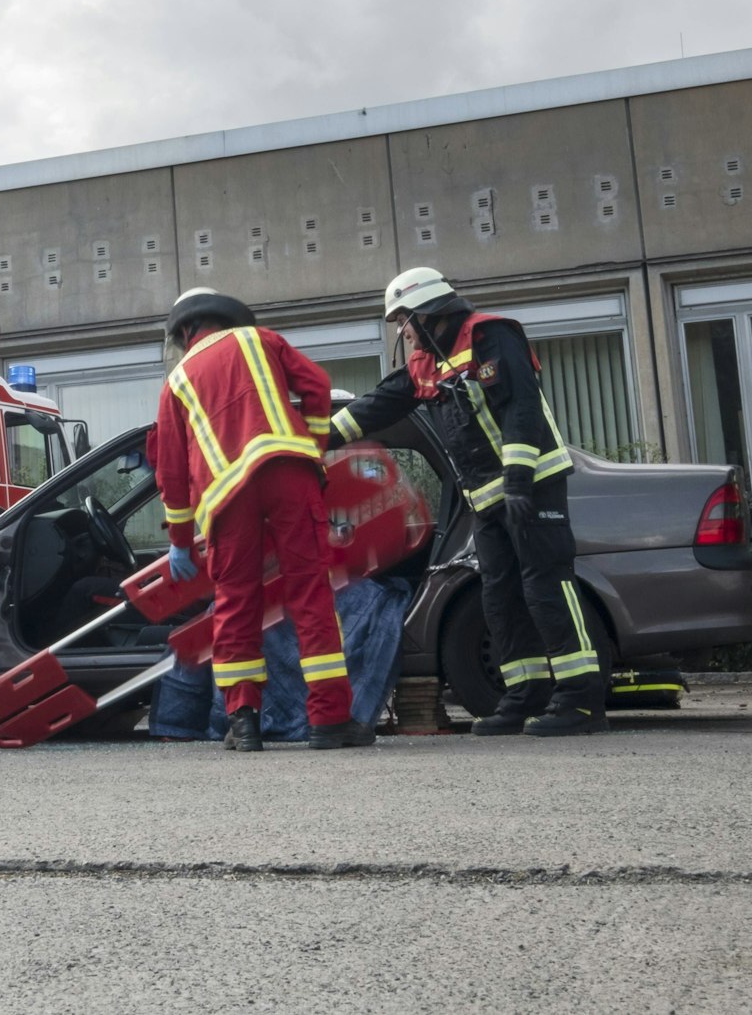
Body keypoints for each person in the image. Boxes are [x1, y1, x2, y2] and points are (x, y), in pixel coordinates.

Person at [332, 267, 604, 736]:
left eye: (403, 320)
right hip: (488, 499)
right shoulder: (427, 364)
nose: (402, 332)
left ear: (427, 311)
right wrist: (313, 440)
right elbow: (379, 404)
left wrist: (518, 478)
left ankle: (582, 701)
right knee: (499, 594)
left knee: (546, 585)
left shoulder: (490, 337)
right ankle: (524, 694)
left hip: (532, 485)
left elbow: (521, 407)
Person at [151, 288, 369, 752]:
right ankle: (329, 720)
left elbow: (170, 470)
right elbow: (317, 386)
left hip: (227, 499)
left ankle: (244, 722)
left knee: (235, 603)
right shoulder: (261, 340)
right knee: (310, 593)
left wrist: (181, 541)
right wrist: (312, 446)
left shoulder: (177, 381)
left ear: (185, 331)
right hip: (289, 475)